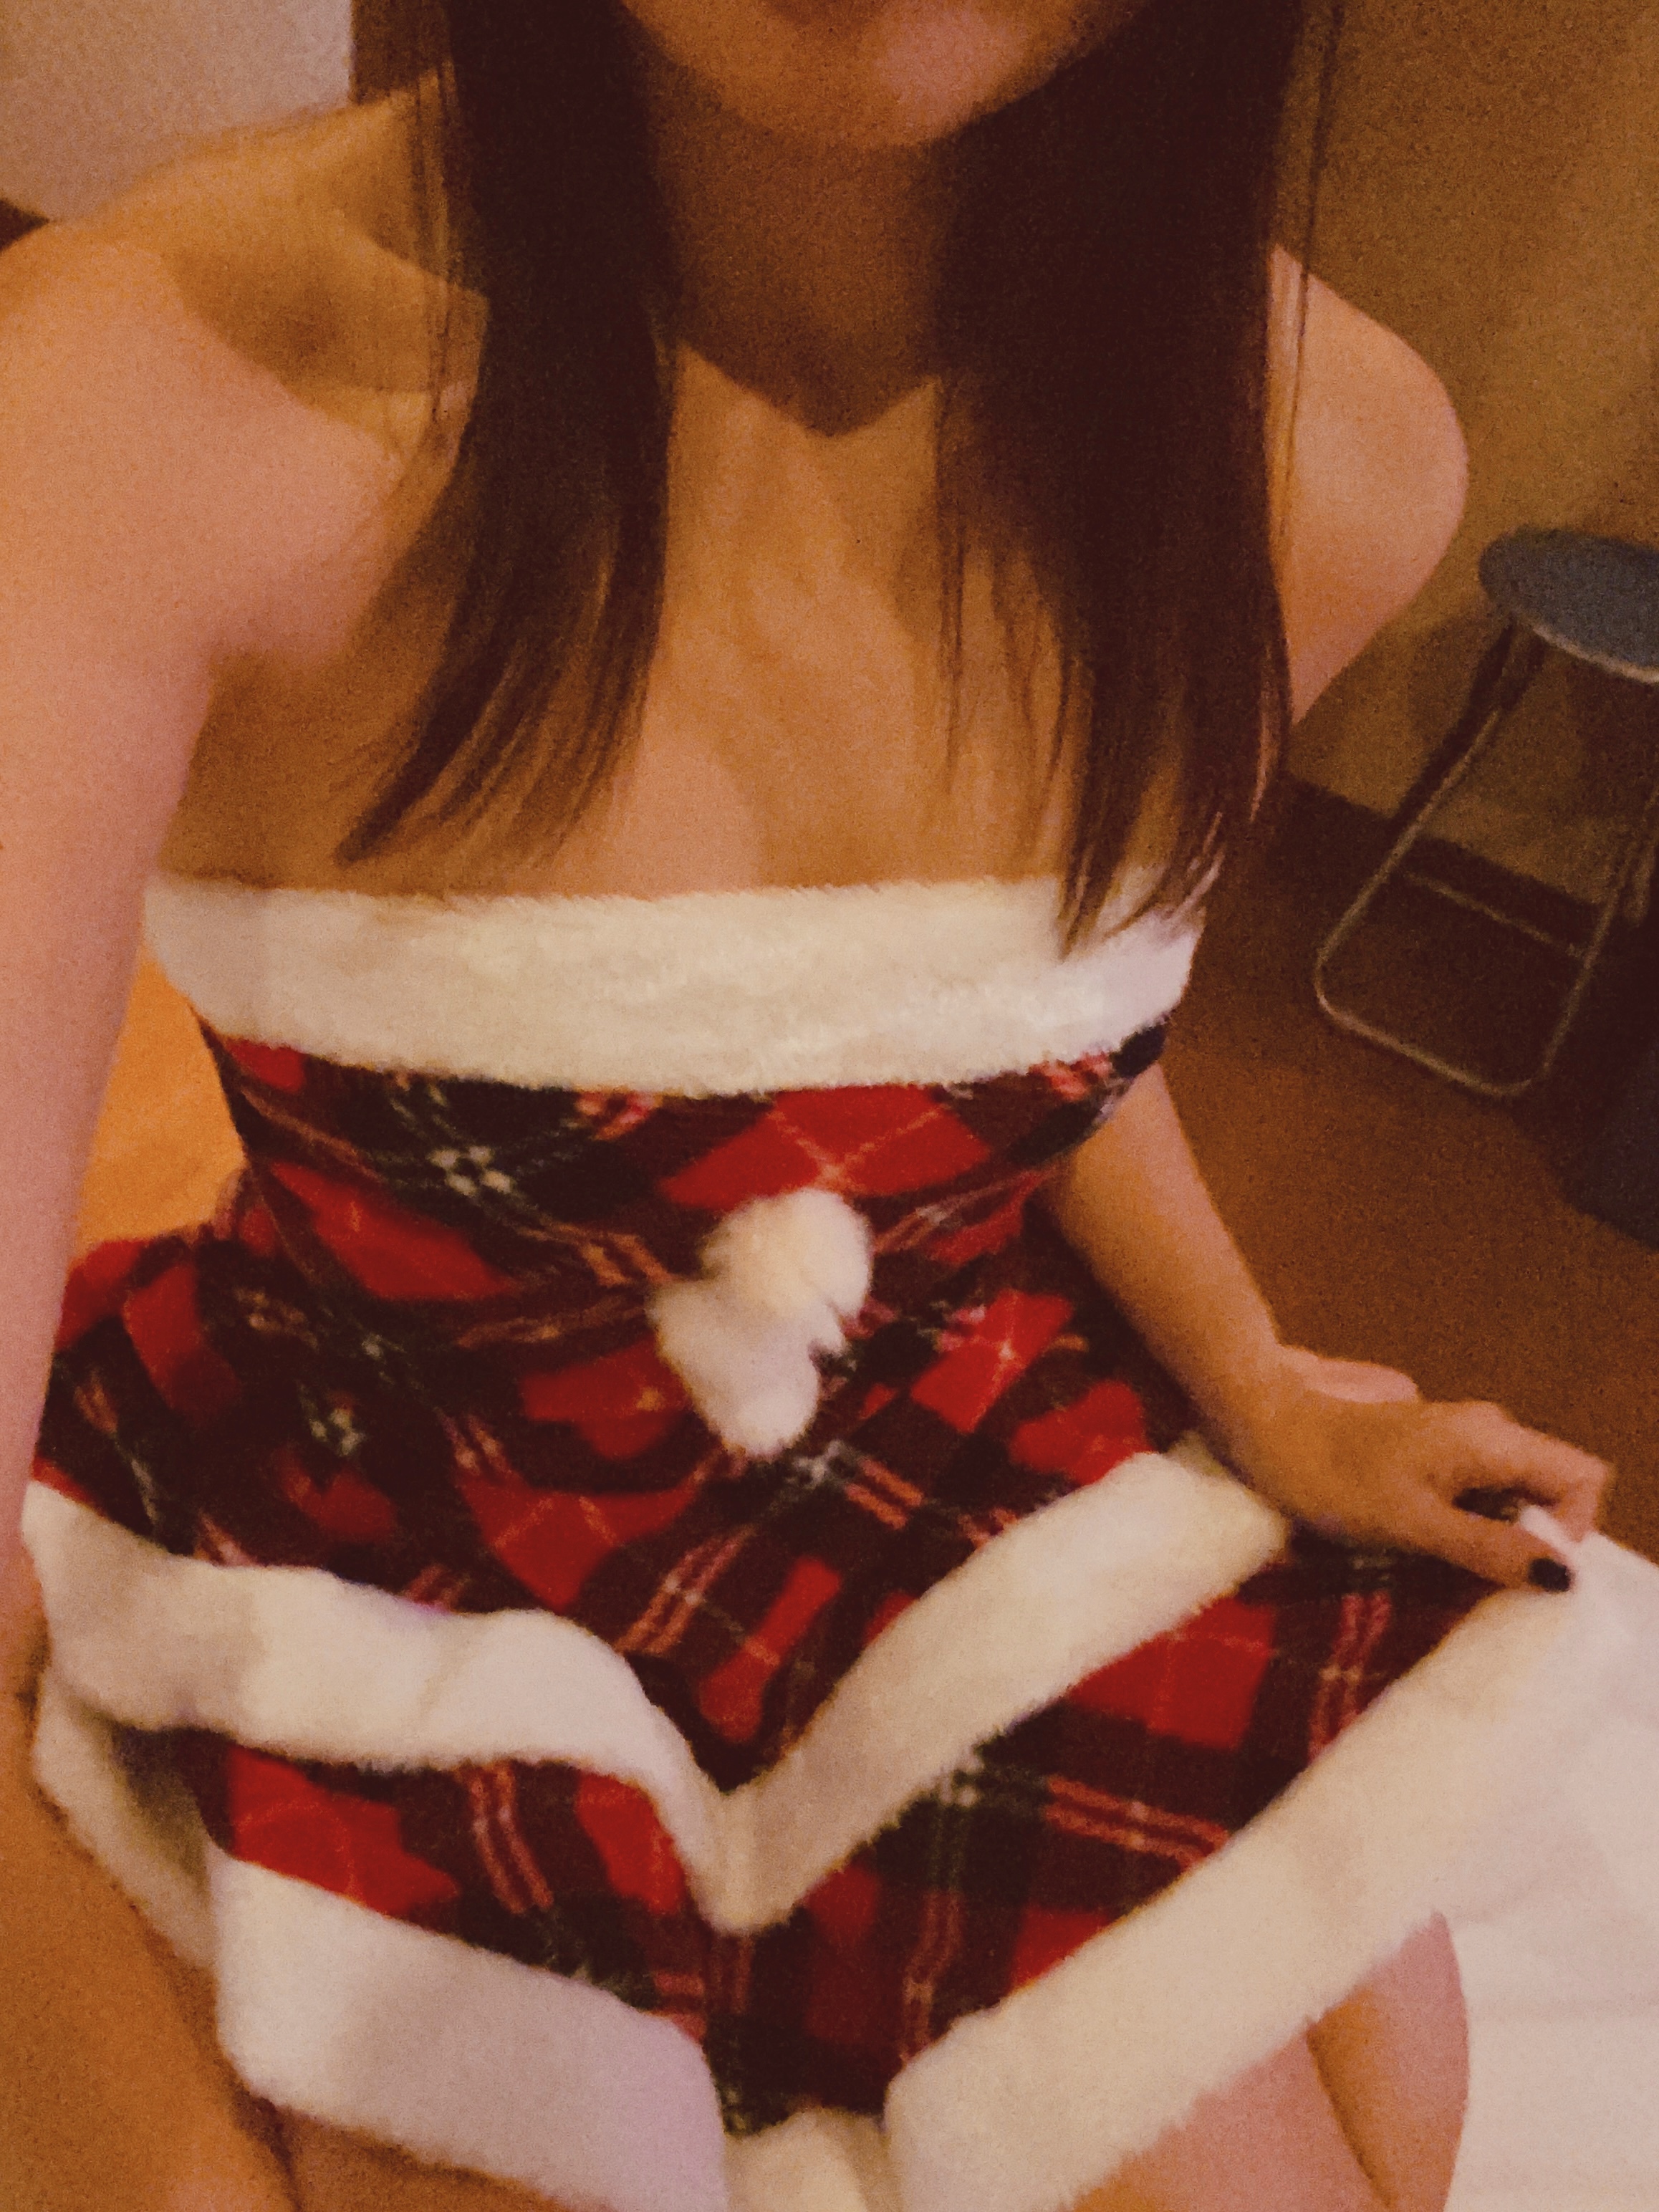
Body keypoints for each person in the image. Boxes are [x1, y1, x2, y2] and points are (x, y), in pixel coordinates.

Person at [0, 3, 1615, 2208]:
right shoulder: (143, 402)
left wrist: (1250, 1379)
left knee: (1364, 2117)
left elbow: (1007, 1028)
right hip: (389, 1497)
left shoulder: (1317, 455)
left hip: (919, 1445)